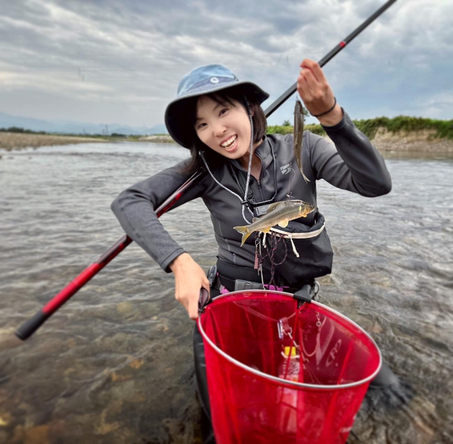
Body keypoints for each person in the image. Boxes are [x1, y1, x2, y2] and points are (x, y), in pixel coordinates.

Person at [111, 59, 394, 424]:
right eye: (202, 124)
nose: (217, 130)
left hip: (295, 301)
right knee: (226, 416)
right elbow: (130, 201)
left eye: (224, 110)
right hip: (232, 304)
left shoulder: (303, 147)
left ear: (249, 107)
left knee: (381, 383)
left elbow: (375, 184)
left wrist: (331, 117)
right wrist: (177, 260)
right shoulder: (202, 171)